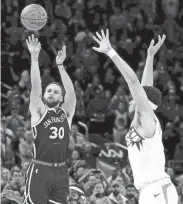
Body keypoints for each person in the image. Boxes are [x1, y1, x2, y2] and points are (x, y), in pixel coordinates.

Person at [92, 29, 178, 204]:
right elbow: (146, 86)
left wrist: (110, 52)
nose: (131, 99)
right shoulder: (144, 116)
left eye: (135, 97)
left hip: (157, 190)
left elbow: (134, 82)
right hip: (151, 190)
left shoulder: (146, 118)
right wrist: (150, 57)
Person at [2, 34, 77, 204]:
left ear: (61, 98)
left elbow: (71, 94)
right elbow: (36, 87)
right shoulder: (39, 111)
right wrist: (34, 57)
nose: (51, 93)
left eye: (55, 91)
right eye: (49, 91)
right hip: (40, 168)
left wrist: (60, 66)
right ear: (44, 96)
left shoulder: (66, 114)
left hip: (61, 170)